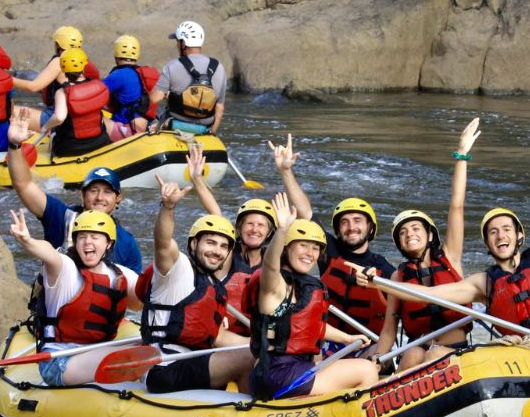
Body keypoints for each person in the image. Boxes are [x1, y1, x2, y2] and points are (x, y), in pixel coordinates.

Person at [354, 138, 530, 337]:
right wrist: (379, 283)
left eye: (506, 229)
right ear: (488, 244)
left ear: (519, 235)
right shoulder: (482, 283)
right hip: (518, 352)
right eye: (492, 232)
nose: (500, 235)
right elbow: (428, 294)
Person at [271, 134, 394, 353]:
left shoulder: (383, 267)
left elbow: (408, 295)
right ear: (338, 230)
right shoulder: (330, 250)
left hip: (366, 344)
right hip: (326, 339)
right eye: (344, 222)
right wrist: (286, 171)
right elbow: (305, 213)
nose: (351, 227)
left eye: (357, 221)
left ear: (370, 228)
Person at [375, 118, 480, 371]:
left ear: (430, 235)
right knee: (412, 354)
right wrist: (375, 360)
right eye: (403, 232)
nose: (409, 234)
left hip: (454, 350)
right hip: (418, 349)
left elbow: (457, 206)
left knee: (433, 355)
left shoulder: (450, 256)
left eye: (415, 228)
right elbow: (389, 329)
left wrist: (461, 155)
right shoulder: (398, 277)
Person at [248, 192, 377, 400]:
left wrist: (347, 338)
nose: (310, 253)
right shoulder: (275, 284)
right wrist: (282, 230)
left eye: (315, 248)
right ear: (286, 248)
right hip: (280, 375)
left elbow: (310, 326)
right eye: (303, 245)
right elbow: (270, 265)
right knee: (367, 370)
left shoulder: (302, 286)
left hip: (281, 374)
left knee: (323, 360)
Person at [135, 174, 255, 394]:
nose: (217, 251)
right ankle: (254, 410)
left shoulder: (214, 287)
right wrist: (168, 207)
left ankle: (250, 403)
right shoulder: (177, 269)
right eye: (210, 242)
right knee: (250, 357)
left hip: (194, 361)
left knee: (258, 351)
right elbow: (163, 242)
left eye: (223, 246)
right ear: (193, 244)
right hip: (164, 367)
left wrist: (260, 342)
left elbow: (218, 337)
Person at [9, 207, 142, 386]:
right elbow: (50, 254)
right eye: (82, 237)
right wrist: (28, 241)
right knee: (138, 353)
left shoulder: (120, 274)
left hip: (93, 353)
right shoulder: (65, 268)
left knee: (148, 344)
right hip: (59, 362)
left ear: (109, 244)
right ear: (75, 242)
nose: (87, 242)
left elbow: (144, 300)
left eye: (95, 237)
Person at [6, 107, 142, 272]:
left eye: (107, 192)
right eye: (93, 190)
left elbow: (135, 284)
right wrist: (14, 145)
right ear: (82, 195)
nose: (100, 197)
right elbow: (24, 184)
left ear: (118, 198)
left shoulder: (127, 243)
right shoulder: (60, 216)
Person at [184, 142, 276, 334]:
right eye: (249, 224)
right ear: (239, 227)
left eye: (261, 225)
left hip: (257, 332)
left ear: (269, 233)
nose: (254, 230)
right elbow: (216, 214)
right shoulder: (226, 253)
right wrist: (197, 179)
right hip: (222, 329)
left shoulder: (274, 259)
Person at [13, 25, 101, 132]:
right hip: (79, 115)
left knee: (9, 111)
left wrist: (7, 80)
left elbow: (33, 87)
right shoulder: (84, 61)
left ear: (58, 45)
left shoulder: (59, 62)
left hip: (58, 118)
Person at [147, 21, 226, 135]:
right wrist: (212, 133)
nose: (176, 45)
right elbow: (219, 107)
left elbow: (154, 98)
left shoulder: (172, 65)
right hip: (204, 128)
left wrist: (167, 95)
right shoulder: (219, 67)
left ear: (183, 43)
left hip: (174, 124)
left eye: (177, 41)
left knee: (152, 122)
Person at [41, 48, 111, 157]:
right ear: (84, 66)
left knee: (54, 134)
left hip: (71, 147)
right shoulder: (98, 85)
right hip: (100, 141)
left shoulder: (62, 92)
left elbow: (59, 118)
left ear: (63, 69)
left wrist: (45, 127)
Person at [102, 34, 158, 141]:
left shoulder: (119, 75)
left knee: (92, 118)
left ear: (116, 54)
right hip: (146, 124)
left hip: (129, 130)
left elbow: (94, 93)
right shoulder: (142, 73)